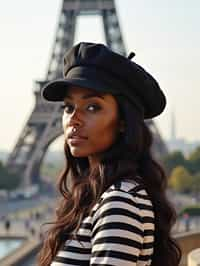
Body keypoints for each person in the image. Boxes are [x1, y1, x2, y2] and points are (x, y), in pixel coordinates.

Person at [37, 42, 181, 266]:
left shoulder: (119, 202)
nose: (73, 119)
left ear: (123, 121)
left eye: (92, 107)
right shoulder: (102, 196)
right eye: (68, 107)